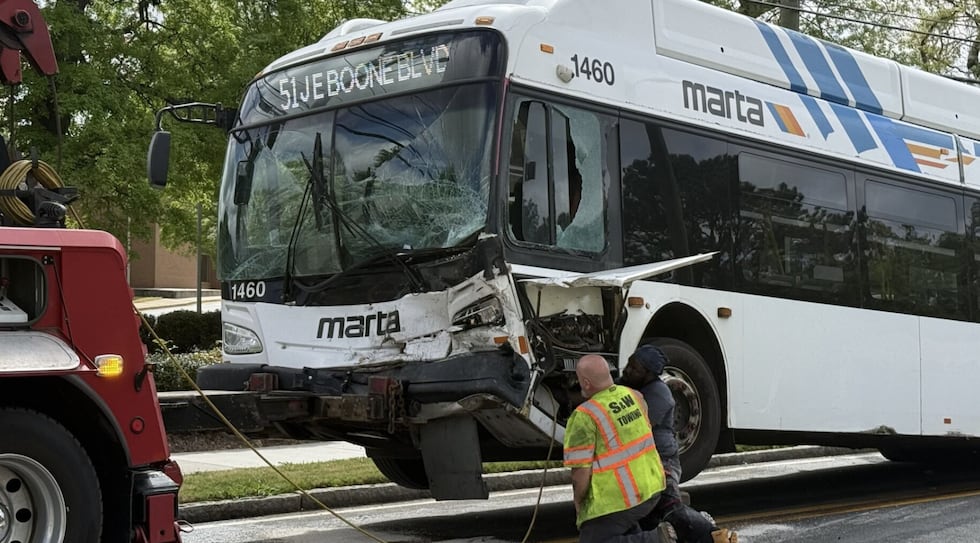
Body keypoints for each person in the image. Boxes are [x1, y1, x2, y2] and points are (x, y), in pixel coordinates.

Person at [619, 345, 738, 543]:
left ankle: (715, 535)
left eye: (634, 368)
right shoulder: (631, 384)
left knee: (670, 508)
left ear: (648, 373)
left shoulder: (659, 394)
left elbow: (637, 427)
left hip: (662, 461)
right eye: (629, 364)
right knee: (651, 516)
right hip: (646, 459)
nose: (627, 370)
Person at [563, 354, 677, 543]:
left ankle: (655, 539)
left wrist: (579, 504)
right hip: (652, 489)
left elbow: (580, 474)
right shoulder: (634, 396)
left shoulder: (584, 416)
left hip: (620, 501)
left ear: (585, 382)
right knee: (624, 531)